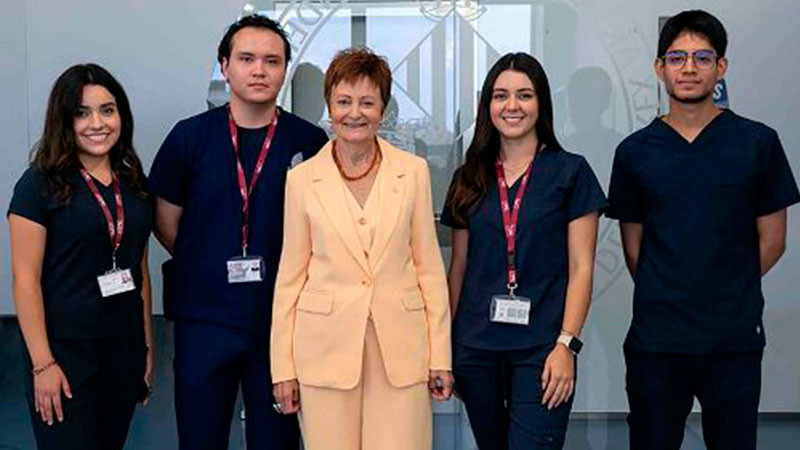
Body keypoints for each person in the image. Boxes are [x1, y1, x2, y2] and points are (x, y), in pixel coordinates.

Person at [607, 10, 800, 450]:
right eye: (676, 58)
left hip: (732, 338)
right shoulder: (634, 152)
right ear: (660, 68)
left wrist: (725, 289)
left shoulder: (757, 142)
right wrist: (673, 290)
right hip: (657, 339)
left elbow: (774, 240)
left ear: (721, 67)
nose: (689, 68)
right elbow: (635, 250)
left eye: (701, 57)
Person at [148, 15, 328, 450]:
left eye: (272, 60)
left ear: (285, 69)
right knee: (201, 438)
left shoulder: (310, 142)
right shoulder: (189, 138)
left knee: (277, 441)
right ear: (225, 66)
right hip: (204, 321)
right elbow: (165, 222)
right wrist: (206, 259)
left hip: (281, 324)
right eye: (246, 59)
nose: (259, 70)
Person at [270, 47, 452, 450]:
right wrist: (283, 367)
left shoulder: (414, 172)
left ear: (383, 109)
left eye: (367, 102)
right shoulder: (301, 179)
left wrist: (441, 356)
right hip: (324, 350)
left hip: (401, 350)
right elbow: (290, 278)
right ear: (329, 105)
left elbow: (428, 269)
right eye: (344, 101)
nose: (355, 113)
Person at [441, 52, 606, 450]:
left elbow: (582, 267)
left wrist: (567, 345)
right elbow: (459, 268)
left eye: (524, 95)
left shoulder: (571, 172)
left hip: (544, 349)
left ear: (542, 104)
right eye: (500, 96)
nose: (512, 106)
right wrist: (443, 347)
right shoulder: (469, 176)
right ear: (488, 107)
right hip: (475, 348)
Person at [8, 63, 153, 450]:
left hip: (121, 349)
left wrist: (146, 348)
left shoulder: (133, 180)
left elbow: (139, 269)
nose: (97, 123)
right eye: (82, 112)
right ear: (64, 120)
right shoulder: (38, 184)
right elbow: (25, 281)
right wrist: (43, 364)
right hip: (63, 353)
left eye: (108, 110)